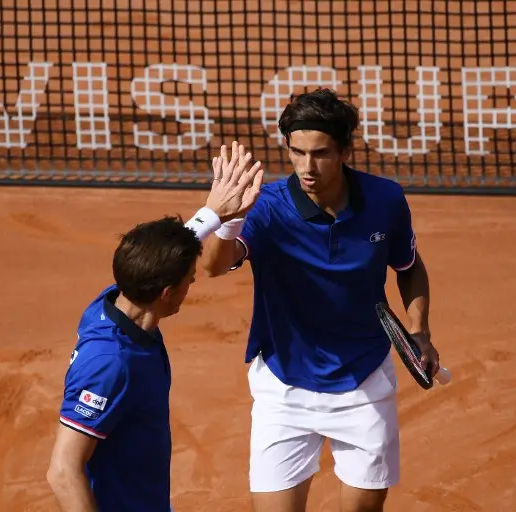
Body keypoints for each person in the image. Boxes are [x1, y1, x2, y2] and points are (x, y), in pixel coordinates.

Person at [200, 89, 441, 512]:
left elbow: (408, 267)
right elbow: (214, 266)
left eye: (320, 153)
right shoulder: (267, 207)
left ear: (346, 151)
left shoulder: (385, 200)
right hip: (284, 385)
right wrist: (229, 221)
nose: (307, 167)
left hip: (364, 381)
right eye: (297, 152)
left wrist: (419, 330)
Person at [46, 147, 264, 511]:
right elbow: (63, 471)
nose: (192, 282)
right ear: (167, 293)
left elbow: (159, 257)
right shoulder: (111, 364)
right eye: (189, 280)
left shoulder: (120, 297)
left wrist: (216, 214)